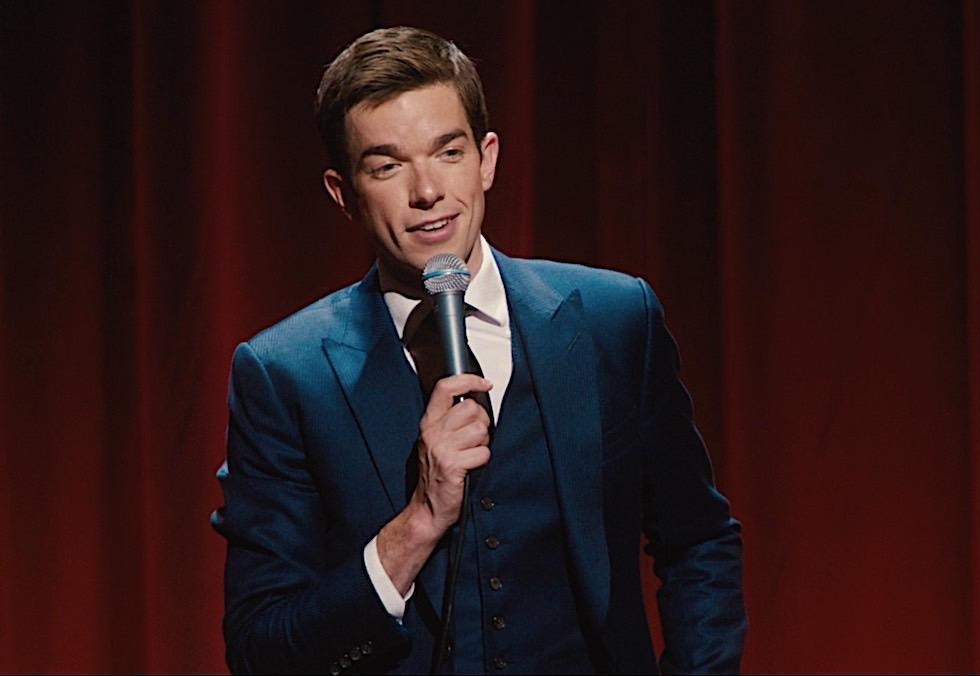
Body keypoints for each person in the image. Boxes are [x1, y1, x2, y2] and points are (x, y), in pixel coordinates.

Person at [211, 26, 746, 675]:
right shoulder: (285, 376)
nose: (427, 190)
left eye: (448, 152)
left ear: (487, 158)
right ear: (342, 193)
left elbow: (698, 543)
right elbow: (262, 649)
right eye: (387, 166)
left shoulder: (613, 320)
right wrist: (418, 523)